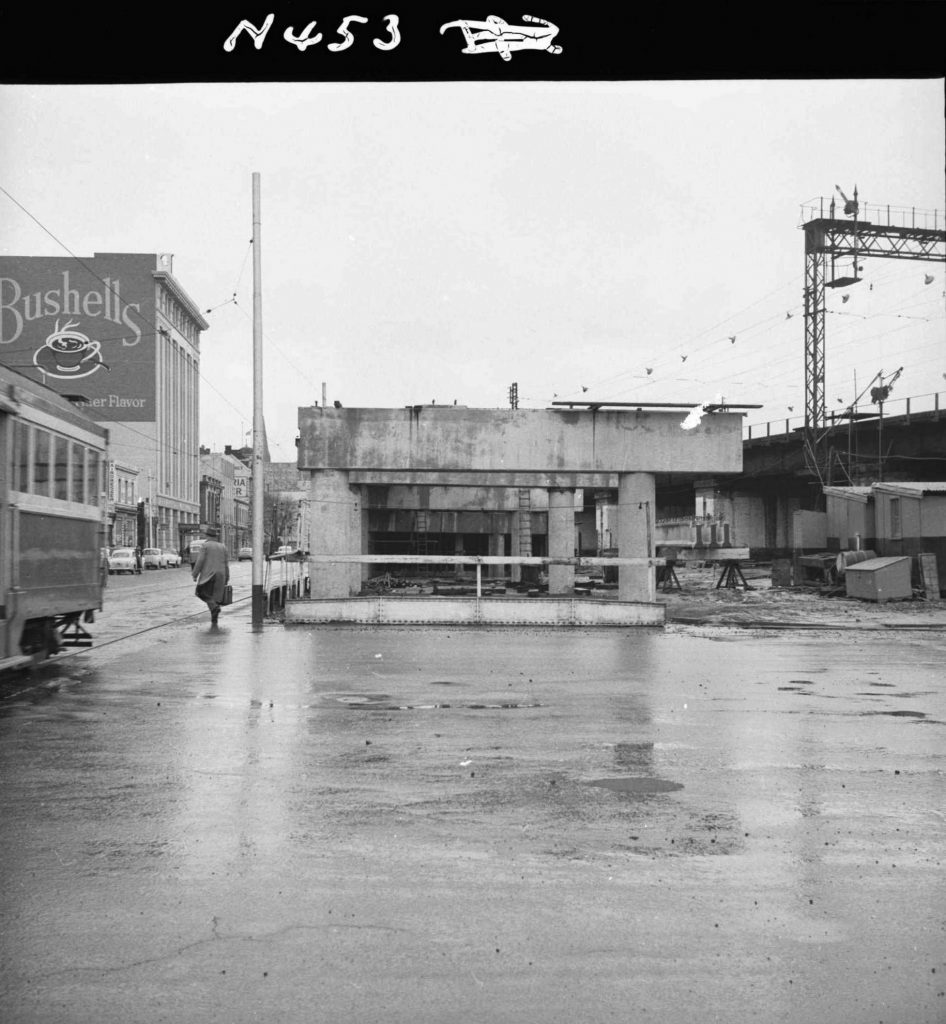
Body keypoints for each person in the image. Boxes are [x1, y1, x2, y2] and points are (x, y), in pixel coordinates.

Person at [192, 528, 230, 625]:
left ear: (207, 535)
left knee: (200, 592)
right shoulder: (223, 547)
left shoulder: (205, 546)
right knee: (216, 598)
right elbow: (226, 564)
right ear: (215, 537)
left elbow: (200, 561)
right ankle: (214, 619)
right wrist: (227, 577)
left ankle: (214, 608)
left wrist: (195, 574)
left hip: (208, 576)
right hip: (221, 575)